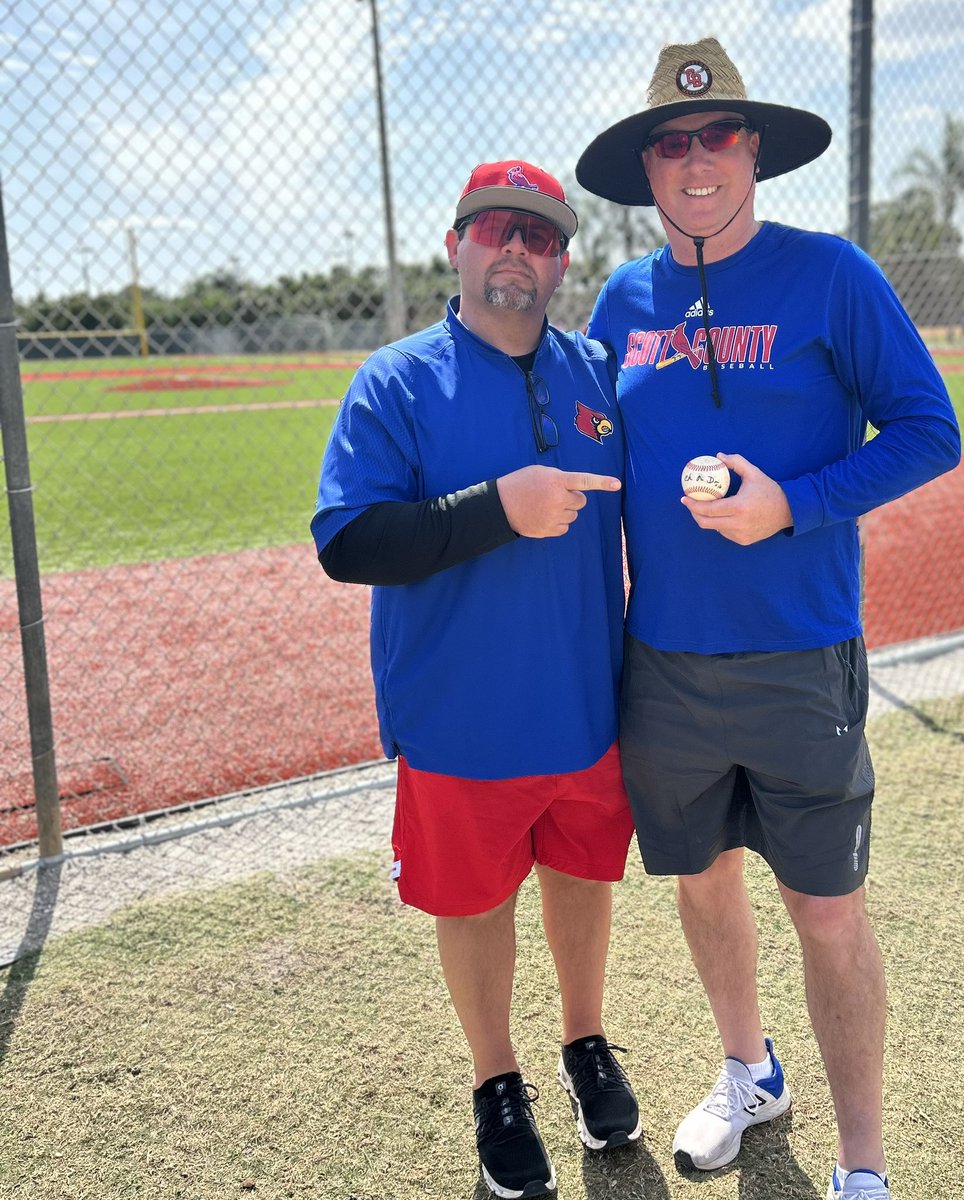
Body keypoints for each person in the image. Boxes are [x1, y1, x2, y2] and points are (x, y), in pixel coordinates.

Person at [575, 38, 961, 1200]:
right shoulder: (620, 301)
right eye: (672, 142)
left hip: (800, 658)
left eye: (718, 135)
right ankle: (750, 1072)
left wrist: (795, 504)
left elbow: (927, 431)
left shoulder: (833, 274)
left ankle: (860, 1169)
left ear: (754, 152)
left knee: (828, 911)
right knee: (701, 883)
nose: (696, 159)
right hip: (667, 667)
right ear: (649, 168)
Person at [312, 160, 641, 1199]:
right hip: (460, 721)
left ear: (562, 262)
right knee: (477, 900)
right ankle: (496, 1080)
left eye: (539, 236)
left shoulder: (595, 373)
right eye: (495, 229)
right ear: (456, 245)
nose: (516, 250)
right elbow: (348, 540)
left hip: (589, 711)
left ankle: (585, 1043)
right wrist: (497, 505)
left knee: (584, 880)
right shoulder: (397, 380)